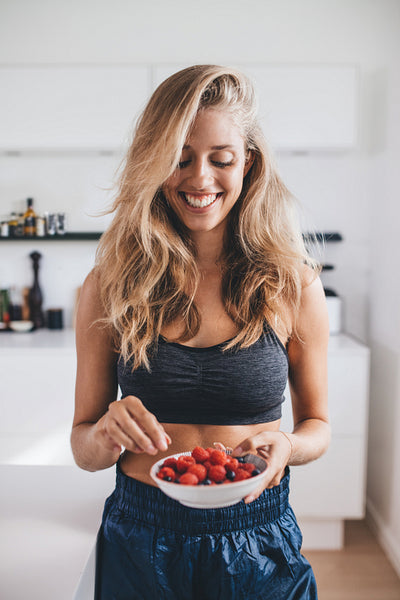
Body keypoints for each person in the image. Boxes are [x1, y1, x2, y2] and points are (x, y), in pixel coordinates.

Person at [71, 64, 330, 599]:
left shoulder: (292, 283)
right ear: (153, 164)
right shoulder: (109, 285)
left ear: (249, 164)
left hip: (257, 537)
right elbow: (83, 447)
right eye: (179, 158)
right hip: (140, 536)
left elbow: (318, 425)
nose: (200, 178)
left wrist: (286, 445)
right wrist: (104, 433)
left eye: (222, 159)